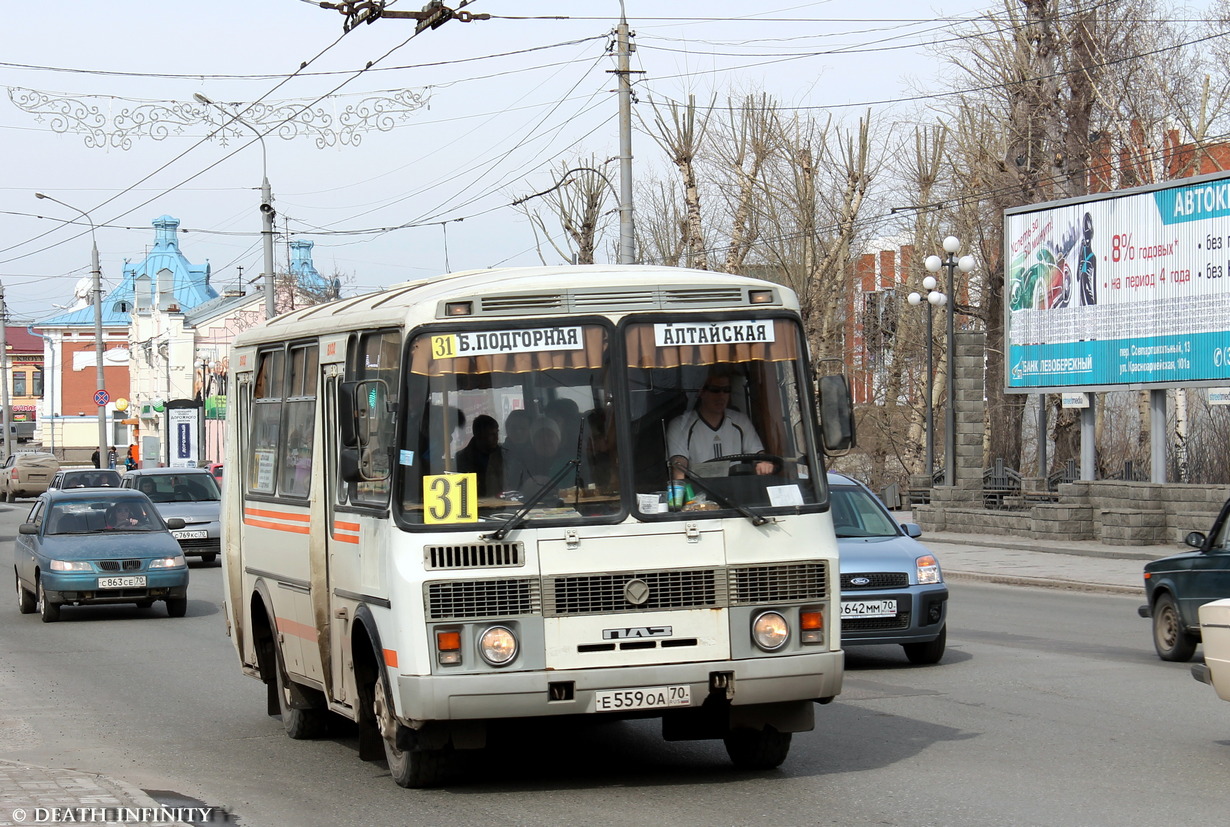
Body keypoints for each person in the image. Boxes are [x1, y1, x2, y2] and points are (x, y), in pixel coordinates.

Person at [666, 368, 774, 479]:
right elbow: (679, 466)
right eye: (715, 390)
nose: (721, 396)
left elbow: (758, 454)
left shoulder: (741, 421)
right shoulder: (680, 425)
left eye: (726, 390)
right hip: (699, 492)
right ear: (701, 392)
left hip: (737, 489)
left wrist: (764, 463)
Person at [455, 414, 505, 497]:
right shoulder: (462, 458)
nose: (496, 438)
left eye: (497, 433)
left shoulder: (504, 454)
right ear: (479, 435)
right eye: (491, 434)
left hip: (505, 506)